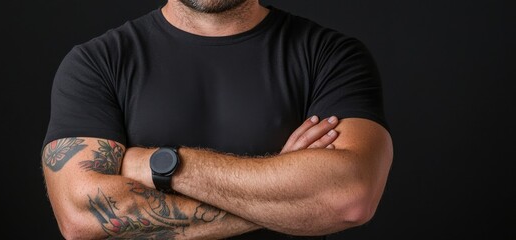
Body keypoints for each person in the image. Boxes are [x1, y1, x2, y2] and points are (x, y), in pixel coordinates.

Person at [41, 0, 393, 239]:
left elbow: (348, 197)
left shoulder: (331, 57)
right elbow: (81, 217)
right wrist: (289, 197)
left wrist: (160, 165)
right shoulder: (96, 64)